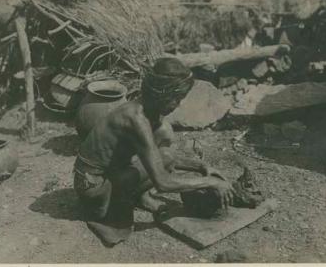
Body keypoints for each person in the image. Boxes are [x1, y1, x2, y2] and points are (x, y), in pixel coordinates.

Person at [73, 57, 235, 246]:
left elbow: (162, 157)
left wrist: (201, 166)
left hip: (107, 174)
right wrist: (210, 182)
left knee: (165, 154)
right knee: (160, 161)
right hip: (93, 187)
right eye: (177, 99)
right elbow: (163, 183)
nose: (178, 105)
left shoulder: (146, 110)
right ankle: (105, 209)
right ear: (163, 95)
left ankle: (137, 196)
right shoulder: (136, 119)